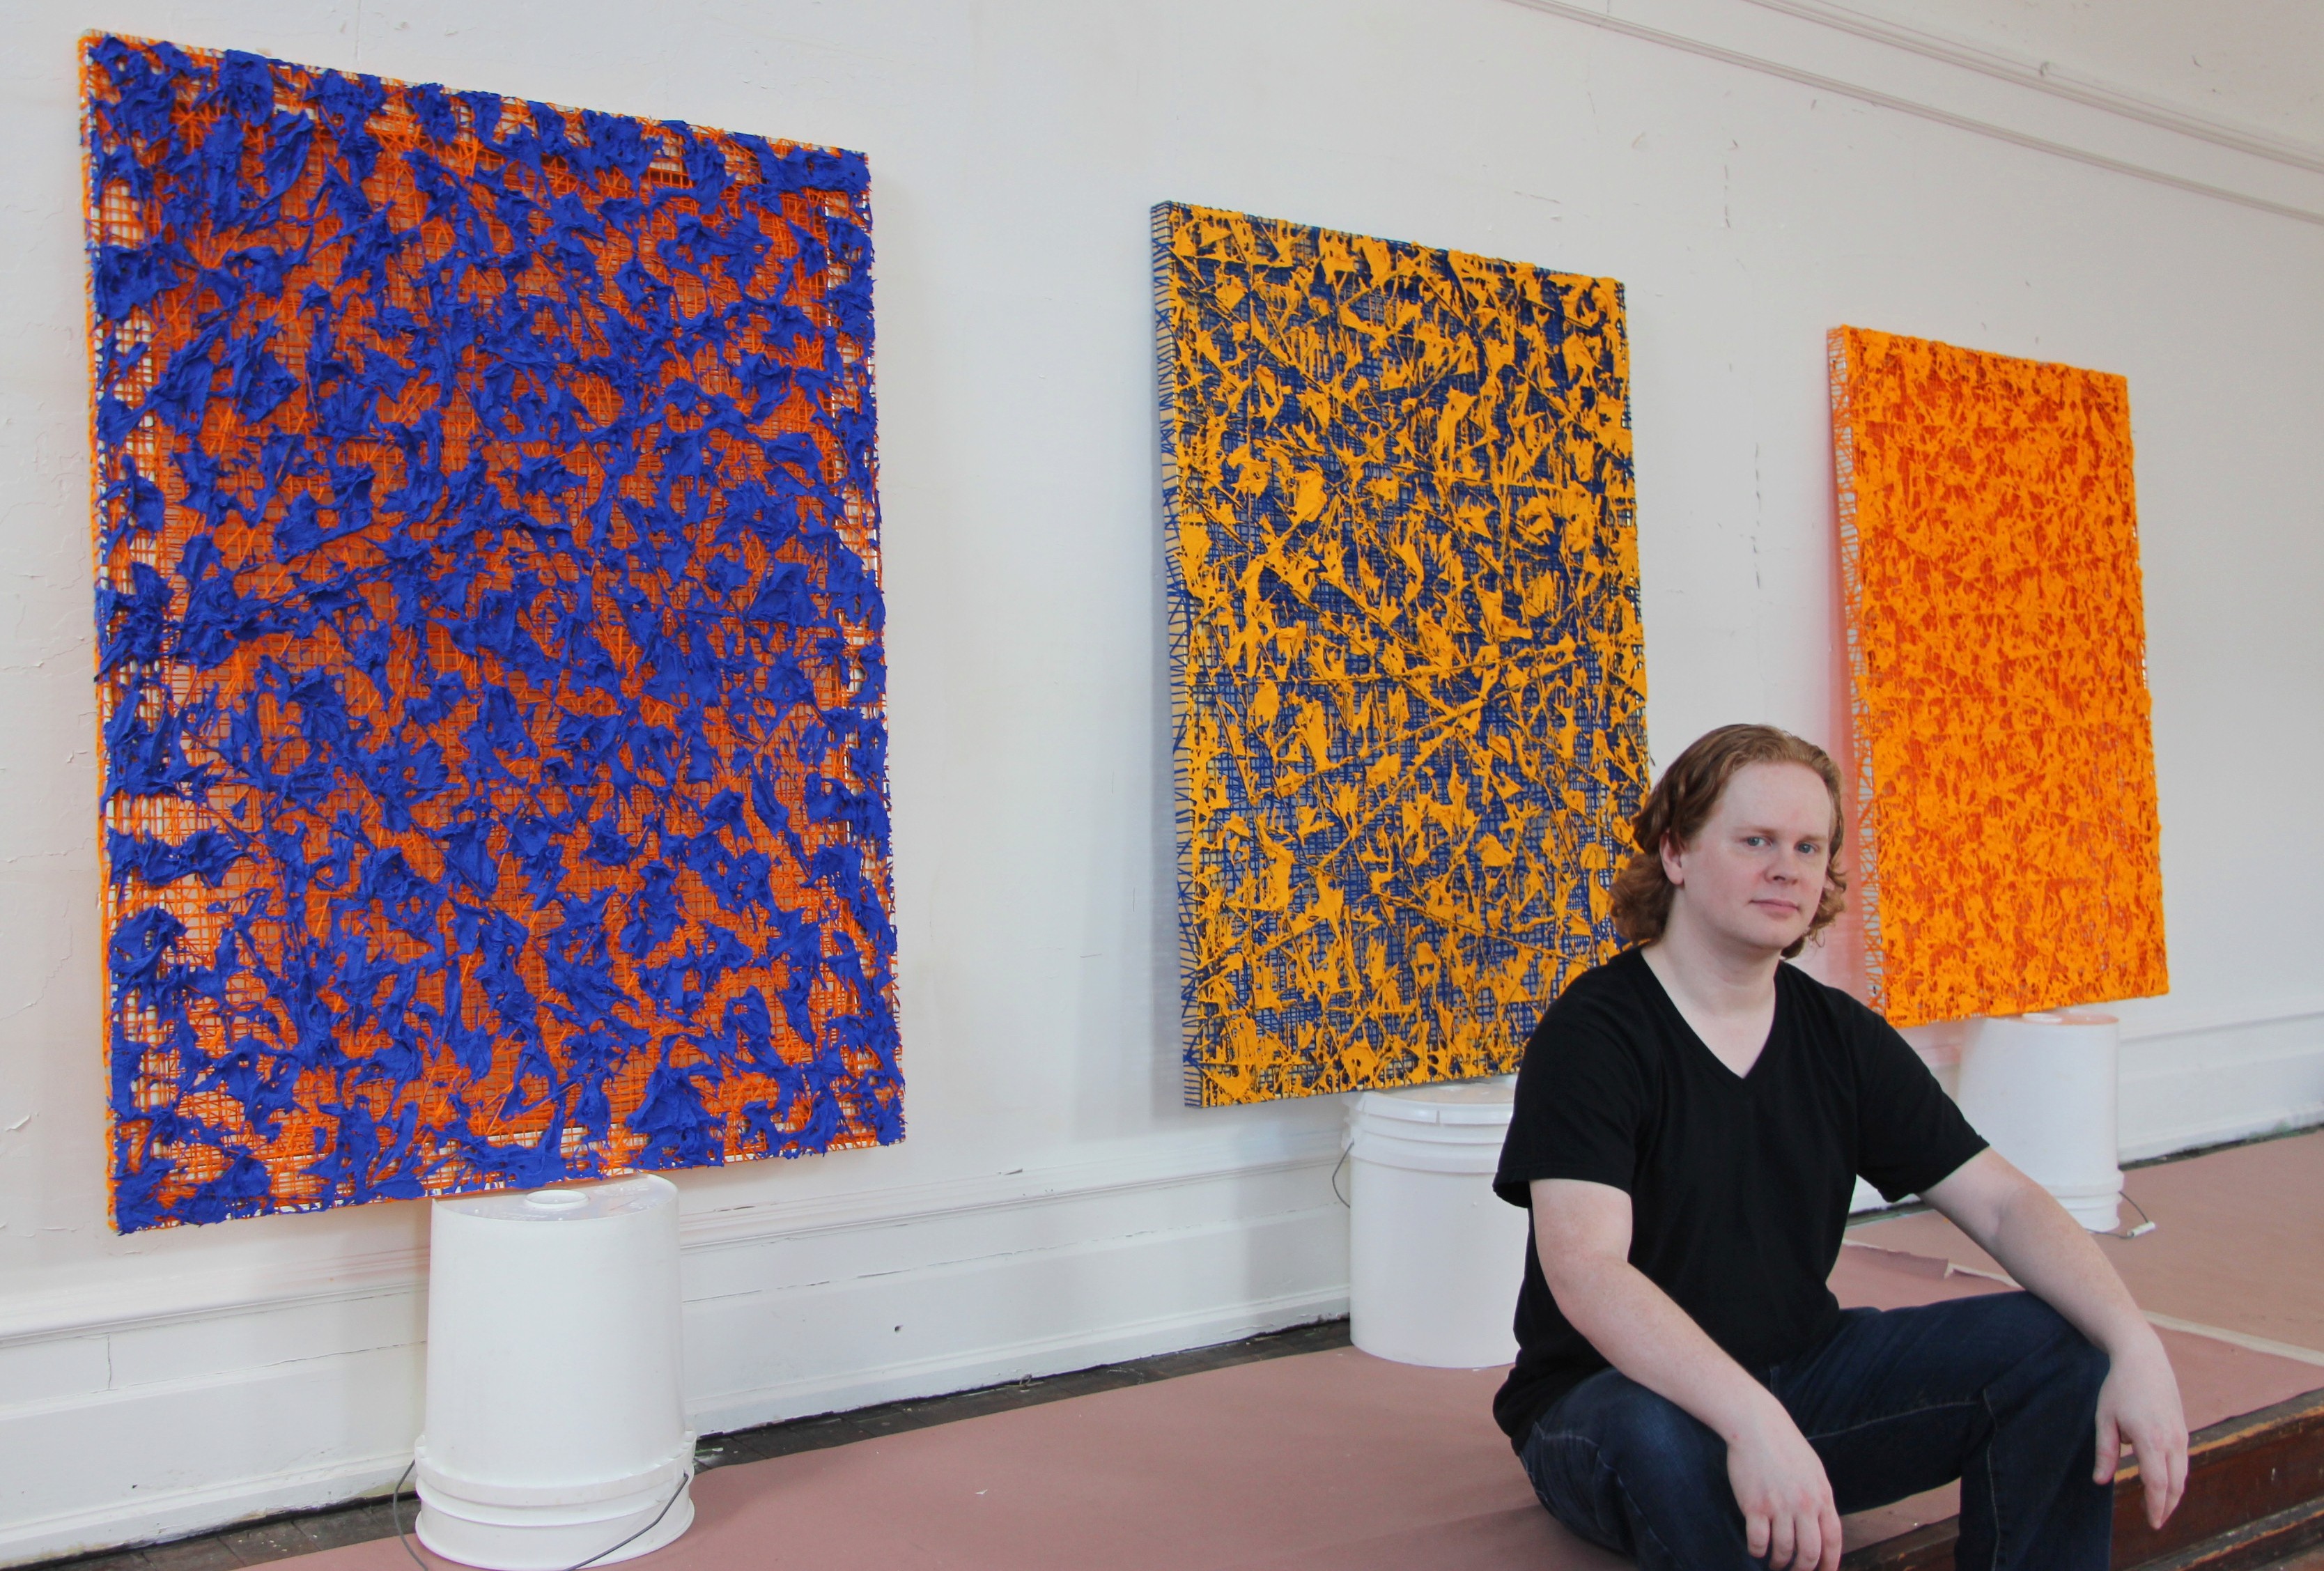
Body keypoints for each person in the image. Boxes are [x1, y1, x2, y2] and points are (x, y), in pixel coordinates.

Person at [1494, 724, 2187, 1571]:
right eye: (1756, 840)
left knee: (2064, 1345)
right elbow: (1587, 1271)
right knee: (1660, 1435)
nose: (1787, 867)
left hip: (1803, 1378)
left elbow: (2003, 1203)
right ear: (1675, 852)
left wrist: (2134, 1341)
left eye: (1809, 846)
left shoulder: (1838, 1034)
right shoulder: (1596, 1032)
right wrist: (1750, 1419)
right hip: (1614, 1401)